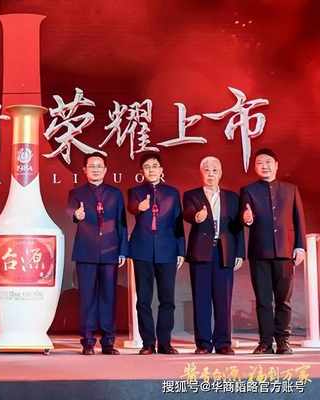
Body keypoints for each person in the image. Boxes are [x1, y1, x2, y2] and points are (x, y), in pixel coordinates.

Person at [240, 148, 306, 355]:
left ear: (276, 165)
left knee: (283, 300)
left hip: (285, 251)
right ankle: (265, 342)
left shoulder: (290, 189)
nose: (265, 166)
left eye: (268, 162)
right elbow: (244, 216)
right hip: (259, 252)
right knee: (263, 301)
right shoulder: (248, 190)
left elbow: (299, 220)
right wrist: (246, 219)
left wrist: (300, 246)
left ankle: (283, 341)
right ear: (255, 167)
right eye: (260, 163)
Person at [67, 154, 128, 355]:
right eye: (91, 166)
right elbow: (70, 211)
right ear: (84, 170)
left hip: (110, 251)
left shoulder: (115, 194)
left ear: (105, 170)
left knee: (109, 297)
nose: (95, 169)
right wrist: (76, 215)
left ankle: (108, 341)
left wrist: (123, 250)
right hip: (86, 251)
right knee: (87, 298)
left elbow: (122, 223)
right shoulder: (76, 193)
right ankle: (88, 341)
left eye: (99, 166)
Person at [183, 156, 244, 355]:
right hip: (201, 253)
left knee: (223, 299)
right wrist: (196, 216)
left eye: (214, 170)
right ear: (201, 173)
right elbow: (187, 213)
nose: (211, 174)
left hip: (224, 252)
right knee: (201, 299)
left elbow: (238, 227)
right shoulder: (192, 195)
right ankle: (203, 343)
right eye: (207, 170)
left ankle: (223, 343)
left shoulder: (232, 198)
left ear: (221, 173)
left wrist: (239, 253)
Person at [127, 152, 185, 355]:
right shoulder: (135, 191)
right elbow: (131, 207)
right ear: (142, 171)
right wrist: (139, 207)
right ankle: (148, 343)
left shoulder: (172, 193)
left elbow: (178, 223)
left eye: (154, 166)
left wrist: (181, 250)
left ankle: (165, 343)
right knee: (143, 299)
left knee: (167, 299)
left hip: (167, 250)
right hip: (142, 249)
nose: (151, 170)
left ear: (161, 170)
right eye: (147, 167)